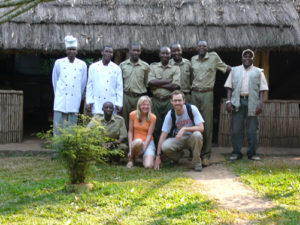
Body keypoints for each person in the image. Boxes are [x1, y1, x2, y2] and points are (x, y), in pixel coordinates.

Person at [191, 40, 231, 167]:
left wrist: (241, 70)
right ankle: (194, 153)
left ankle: (206, 155)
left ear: (207, 48)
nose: (202, 48)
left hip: (207, 93)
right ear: (196, 48)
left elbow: (227, 69)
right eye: (200, 46)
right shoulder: (193, 59)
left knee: (207, 124)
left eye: (205, 46)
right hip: (194, 93)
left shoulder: (214, 57)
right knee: (193, 122)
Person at [224, 49, 269, 161]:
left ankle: (252, 153)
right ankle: (236, 153)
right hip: (237, 102)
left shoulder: (259, 72)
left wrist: (260, 103)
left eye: (250, 57)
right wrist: (228, 101)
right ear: (242, 58)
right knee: (236, 129)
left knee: (253, 130)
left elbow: (262, 89)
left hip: (252, 102)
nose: (247, 58)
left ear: (253, 59)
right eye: (245, 56)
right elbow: (229, 86)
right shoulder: (234, 70)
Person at [154, 90, 205, 171]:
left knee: (197, 135)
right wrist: (157, 156)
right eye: (175, 101)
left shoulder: (192, 109)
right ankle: (178, 157)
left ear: (184, 101)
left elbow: (201, 128)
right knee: (165, 146)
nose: (177, 103)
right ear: (171, 101)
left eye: (179, 100)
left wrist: (184, 129)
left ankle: (197, 163)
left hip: (192, 138)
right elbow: (163, 134)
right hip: (179, 139)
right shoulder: (170, 114)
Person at [52, 35, 87, 136]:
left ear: (77, 51)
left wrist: (77, 95)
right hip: (60, 100)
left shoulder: (82, 64)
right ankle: (57, 151)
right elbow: (55, 81)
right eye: (69, 49)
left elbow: (83, 84)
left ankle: (69, 150)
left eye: (73, 49)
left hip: (74, 99)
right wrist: (59, 94)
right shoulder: (58, 63)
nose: (71, 51)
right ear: (66, 50)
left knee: (72, 129)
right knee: (58, 129)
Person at [148, 46, 181, 145]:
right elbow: (151, 82)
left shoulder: (175, 68)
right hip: (156, 101)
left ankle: (167, 150)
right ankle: (157, 149)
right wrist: (168, 81)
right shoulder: (153, 67)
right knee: (156, 126)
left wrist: (157, 83)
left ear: (170, 55)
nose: (165, 55)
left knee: (169, 126)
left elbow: (175, 86)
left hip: (169, 101)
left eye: (167, 53)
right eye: (163, 53)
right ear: (159, 54)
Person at [85, 45, 123, 117]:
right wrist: (89, 101)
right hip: (97, 103)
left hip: (111, 101)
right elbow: (89, 86)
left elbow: (119, 87)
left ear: (112, 54)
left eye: (110, 52)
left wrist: (119, 103)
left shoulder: (117, 68)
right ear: (102, 52)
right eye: (106, 51)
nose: (108, 53)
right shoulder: (93, 67)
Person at [120, 43, 150, 129]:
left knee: (139, 119)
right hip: (126, 97)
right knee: (125, 119)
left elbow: (146, 83)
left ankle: (138, 140)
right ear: (129, 51)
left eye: (138, 50)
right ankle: (125, 140)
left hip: (139, 97)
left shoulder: (145, 66)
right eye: (134, 50)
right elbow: (120, 82)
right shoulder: (123, 65)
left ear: (140, 52)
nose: (136, 52)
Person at [127, 96, 156, 168]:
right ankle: (131, 159)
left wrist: (143, 150)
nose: (145, 107)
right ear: (139, 105)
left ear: (150, 106)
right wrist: (130, 150)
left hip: (148, 142)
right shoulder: (133, 114)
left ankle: (143, 158)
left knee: (148, 166)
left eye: (147, 105)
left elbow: (149, 135)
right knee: (138, 141)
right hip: (136, 143)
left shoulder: (153, 117)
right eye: (143, 104)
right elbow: (130, 132)